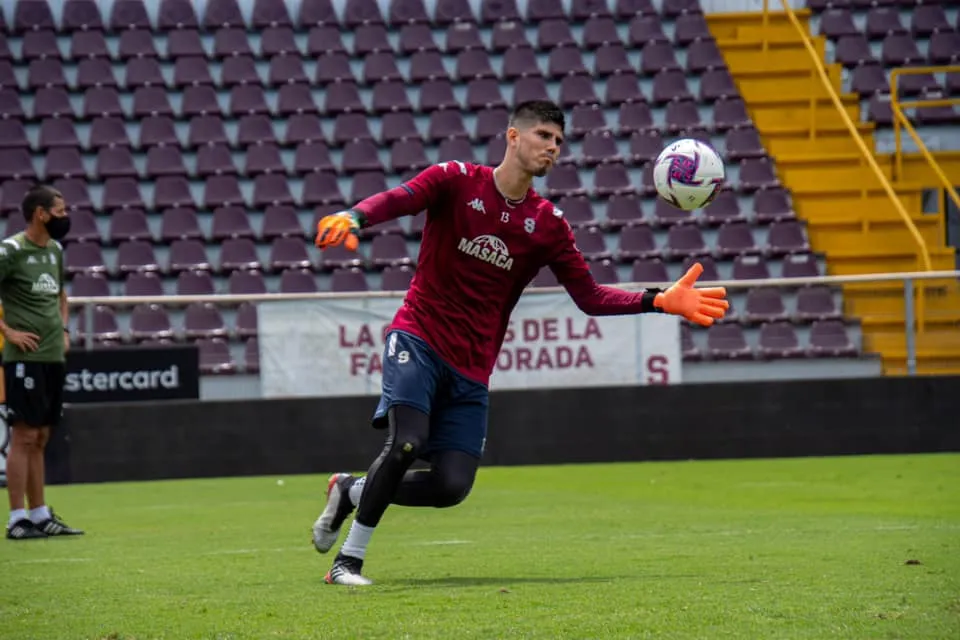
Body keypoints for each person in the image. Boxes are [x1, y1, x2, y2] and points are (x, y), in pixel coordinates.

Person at [311, 101, 728, 585]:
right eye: (544, 136)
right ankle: (348, 562)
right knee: (407, 442)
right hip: (418, 337)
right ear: (513, 136)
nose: (552, 147)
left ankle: (349, 489)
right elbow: (401, 198)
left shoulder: (548, 225)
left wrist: (658, 300)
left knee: (450, 487)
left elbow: (590, 297)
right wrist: (355, 217)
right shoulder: (456, 179)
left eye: (558, 142)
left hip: (471, 367)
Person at [1, 184, 83, 540]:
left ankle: (39, 513)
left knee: (43, 435)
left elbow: (61, 295)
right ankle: (17, 518)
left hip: (52, 355)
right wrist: (9, 333)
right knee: (24, 434)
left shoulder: (55, 250)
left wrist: (63, 329)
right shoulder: (10, 251)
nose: (66, 218)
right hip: (24, 358)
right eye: (61, 211)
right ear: (41, 213)